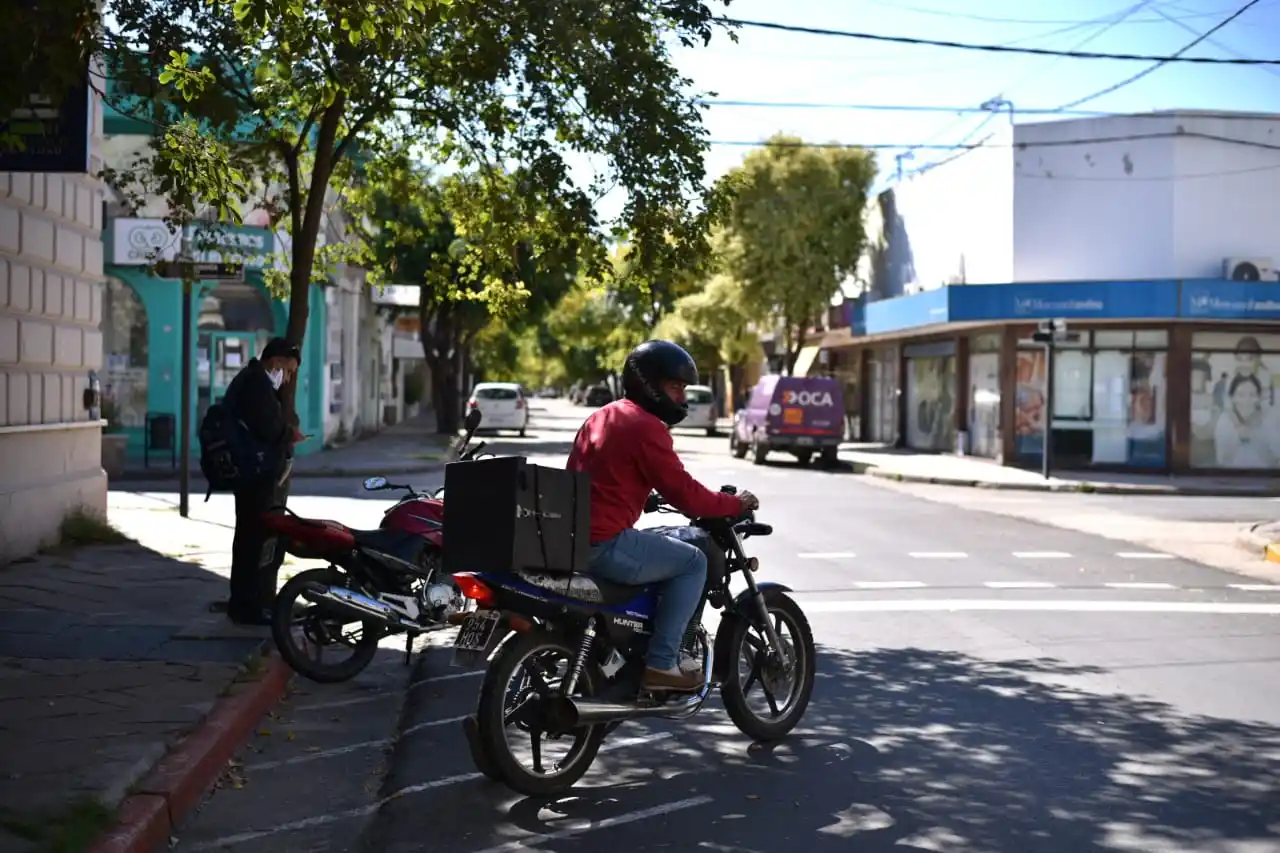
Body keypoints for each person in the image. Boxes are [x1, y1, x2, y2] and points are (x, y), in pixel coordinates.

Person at [567, 340, 758, 693]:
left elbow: (604, 475)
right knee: (693, 562)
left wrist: (640, 492)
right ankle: (662, 664)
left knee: (665, 545)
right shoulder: (645, 426)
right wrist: (735, 504)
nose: (682, 398)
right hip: (604, 544)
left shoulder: (602, 416)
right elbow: (687, 495)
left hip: (573, 538)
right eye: (675, 387)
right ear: (650, 385)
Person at [222, 337, 305, 625]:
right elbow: (268, 427)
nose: (288, 377)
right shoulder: (255, 385)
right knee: (251, 541)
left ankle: (248, 603)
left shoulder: (256, 382)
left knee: (251, 538)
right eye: (289, 370)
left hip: (253, 472)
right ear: (276, 362)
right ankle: (246, 606)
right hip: (252, 473)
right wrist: (289, 434)